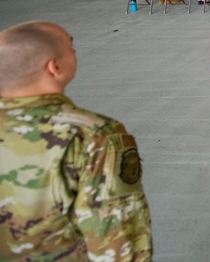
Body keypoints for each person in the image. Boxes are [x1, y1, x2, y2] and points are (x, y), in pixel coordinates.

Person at [0, 21, 153, 259]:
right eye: (71, 47)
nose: (74, 52)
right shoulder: (94, 137)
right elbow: (116, 244)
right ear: (55, 67)